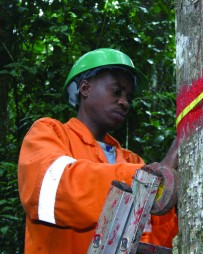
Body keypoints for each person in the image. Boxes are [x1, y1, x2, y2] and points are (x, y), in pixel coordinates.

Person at [17, 48, 178, 253]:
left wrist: (169, 194)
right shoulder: (49, 134)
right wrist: (148, 179)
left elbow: (154, 237)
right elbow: (54, 191)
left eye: (129, 97)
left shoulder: (132, 160)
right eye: (116, 91)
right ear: (85, 88)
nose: (124, 102)